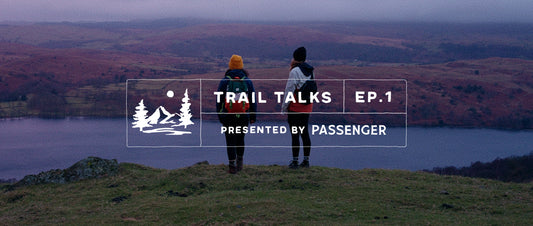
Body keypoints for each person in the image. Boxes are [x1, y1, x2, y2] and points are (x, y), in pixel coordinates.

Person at [216, 54, 257, 174]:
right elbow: (253, 100)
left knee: (230, 141)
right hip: (243, 116)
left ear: (230, 66)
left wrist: (220, 115)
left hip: (228, 116)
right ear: (241, 66)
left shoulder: (225, 81)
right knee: (240, 139)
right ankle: (240, 164)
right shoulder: (247, 81)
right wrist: (253, 116)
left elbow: (219, 100)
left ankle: (232, 166)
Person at [281, 47, 314, 169]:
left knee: (295, 134)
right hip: (307, 107)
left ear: (295, 57)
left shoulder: (294, 71)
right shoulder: (310, 70)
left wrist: (284, 107)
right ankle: (306, 161)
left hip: (295, 107)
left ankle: (295, 161)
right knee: (305, 133)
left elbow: (289, 90)